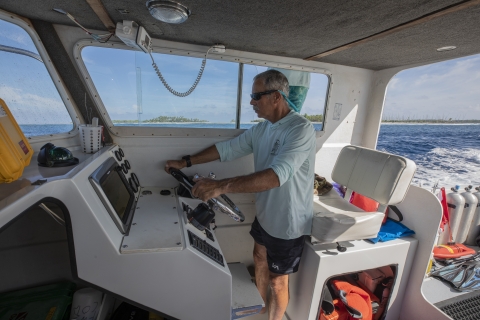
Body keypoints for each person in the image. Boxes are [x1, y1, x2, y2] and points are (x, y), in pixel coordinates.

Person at [164, 69, 316, 320]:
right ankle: (258, 308)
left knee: (278, 282)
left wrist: (220, 186)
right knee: (258, 257)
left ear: (276, 97)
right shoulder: (262, 129)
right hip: (266, 213)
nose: (251, 102)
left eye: (257, 96)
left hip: (288, 221)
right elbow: (226, 149)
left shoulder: (300, 129)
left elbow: (275, 176)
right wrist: (186, 162)